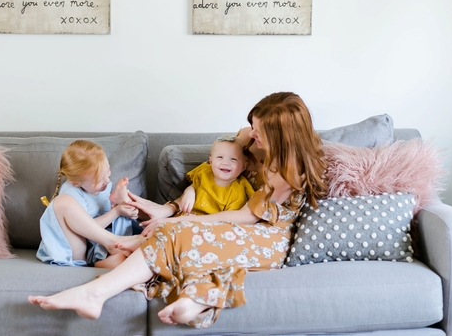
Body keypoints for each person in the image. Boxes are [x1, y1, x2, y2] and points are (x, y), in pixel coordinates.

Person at [29, 92, 327, 328]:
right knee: (179, 229)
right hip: (249, 233)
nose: (252, 133)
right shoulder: (265, 153)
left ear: (280, 137)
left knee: (181, 229)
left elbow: (248, 216)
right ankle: (179, 295)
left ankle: (97, 291)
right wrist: (242, 139)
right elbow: (237, 146)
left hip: (265, 242)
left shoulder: (287, 170)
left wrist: (202, 223)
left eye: (259, 131)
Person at [36, 140, 142, 269]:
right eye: (99, 180)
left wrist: (124, 209)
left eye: (107, 173)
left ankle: (114, 253)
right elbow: (88, 230)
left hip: (105, 242)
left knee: (126, 248)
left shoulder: (103, 186)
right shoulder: (71, 194)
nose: (107, 181)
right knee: (63, 202)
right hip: (84, 246)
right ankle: (107, 251)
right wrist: (115, 212)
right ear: (76, 182)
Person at [174, 135, 255, 215]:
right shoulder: (205, 171)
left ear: (243, 167)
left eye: (233, 159)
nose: (225, 163)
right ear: (211, 162)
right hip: (185, 215)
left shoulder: (238, 191)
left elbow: (228, 218)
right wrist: (189, 192)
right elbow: (194, 185)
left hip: (209, 223)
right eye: (220, 157)